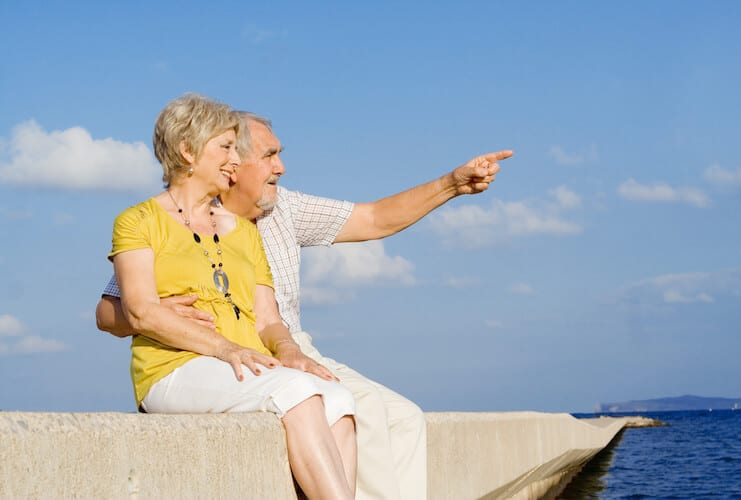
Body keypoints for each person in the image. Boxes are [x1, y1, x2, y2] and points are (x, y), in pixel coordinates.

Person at [98, 111, 513, 499]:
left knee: (402, 417)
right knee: (349, 404)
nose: (281, 167)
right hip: (217, 357)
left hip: (286, 345)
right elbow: (112, 312)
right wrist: (155, 311)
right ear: (232, 165)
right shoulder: (170, 217)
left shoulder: (283, 209)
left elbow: (373, 219)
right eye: (269, 155)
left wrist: (452, 185)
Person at [108, 94, 357, 500]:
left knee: (339, 399)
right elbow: (139, 312)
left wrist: (290, 351)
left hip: (245, 367)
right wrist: (225, 348)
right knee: (295, 392)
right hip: (173, 369)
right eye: (224, 147)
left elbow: (267, 318)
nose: (235, 160)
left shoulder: (244, 231)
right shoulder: (139, 221)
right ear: (187, 150)